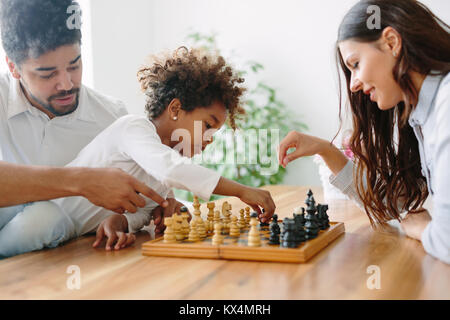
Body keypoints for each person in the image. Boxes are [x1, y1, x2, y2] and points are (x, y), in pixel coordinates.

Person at [48, 47, 276, 251]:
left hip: (71, 245)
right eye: (208, 126)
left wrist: (121, 222)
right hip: (48, 217)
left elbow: (145, 212)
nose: (210, 140)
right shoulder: (134, 128)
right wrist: (240, 190)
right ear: (175, 108)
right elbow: (171, 170)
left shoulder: (166, 160)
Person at [278, 0, 449, 264]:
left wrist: (423, 229)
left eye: (355, 63)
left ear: (391, 42)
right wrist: (326, 150)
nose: (354, 83)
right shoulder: (423, 116)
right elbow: (394, 203)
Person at [0, 0, 167, 258]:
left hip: (53, 266)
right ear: (13, 67)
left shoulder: (113, 118)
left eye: (74, 65)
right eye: (47, 74)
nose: (66, 84)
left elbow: (149, 198)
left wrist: (162, 207)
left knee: (48, 220)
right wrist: (81, 181)